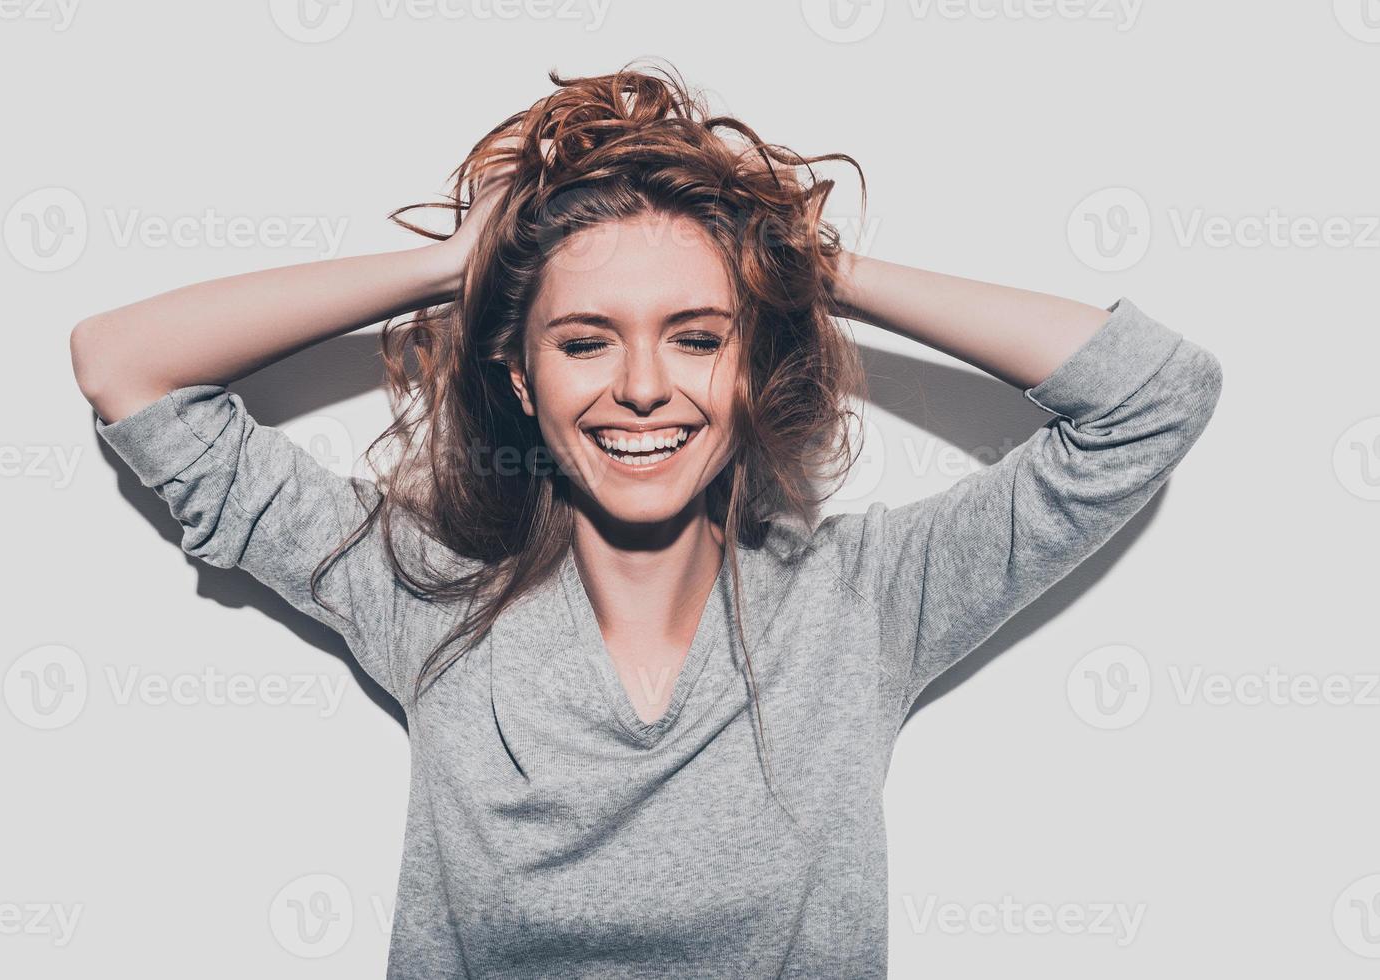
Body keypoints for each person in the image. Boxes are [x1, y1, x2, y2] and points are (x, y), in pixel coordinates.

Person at [70, 61, 1223, 979]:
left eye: (695, 334)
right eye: (583, 340)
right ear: (521, 378)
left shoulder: (864, 604)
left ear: (747, 362)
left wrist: (802, 261)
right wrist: (463, 261)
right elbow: (126, 364)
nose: (639, 386)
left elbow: (1149, 399)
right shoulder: (424, 596)